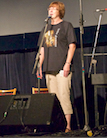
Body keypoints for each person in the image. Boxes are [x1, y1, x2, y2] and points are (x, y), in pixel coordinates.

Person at [36, 1, 76, 133]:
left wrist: (67, 63)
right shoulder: (45, 28)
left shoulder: (66, 26)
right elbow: (42, 49)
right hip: (48, 69)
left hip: (61, 68)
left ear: (60, 11)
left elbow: (72, 45)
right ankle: (58, 125)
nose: (51, 10)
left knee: (64, 96)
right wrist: (39, 66)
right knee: (53, 99)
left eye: (54, 8)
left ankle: (67, 126)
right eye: (50, 8)